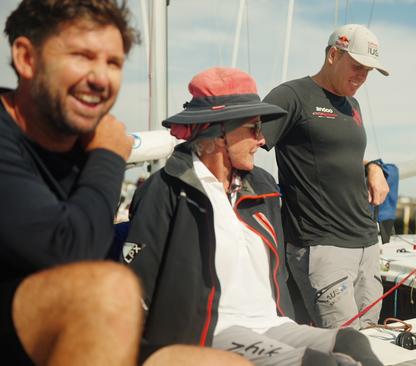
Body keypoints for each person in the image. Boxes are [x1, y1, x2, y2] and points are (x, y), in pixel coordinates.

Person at [0, 1, 249, 365]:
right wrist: (109, 155)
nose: (100, 78)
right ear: (26, 58)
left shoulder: (79, 148)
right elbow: (68, 254)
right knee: (107, 289)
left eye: (113, 63)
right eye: (82, 56)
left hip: (65, 334)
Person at [123, 67, 383, 366]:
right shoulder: (167, 190)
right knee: (317, 363)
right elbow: (138, 284)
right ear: (219, 133)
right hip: (210, 331)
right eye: (253, 128)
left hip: (272, 324)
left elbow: (280, 274)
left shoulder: (262, 187)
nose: (262, 140)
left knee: (353, 342)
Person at [261, 23, 390, 329]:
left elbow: (343, 155)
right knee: (344, 347)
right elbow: (247, 142)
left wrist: (373, 167)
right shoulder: (291, 95)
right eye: (357, 66)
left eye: (368, 71)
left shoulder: (353, 104)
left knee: (370, 339)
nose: (362, 77)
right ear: (334, 54)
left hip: (367, 243)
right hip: (321, 246)